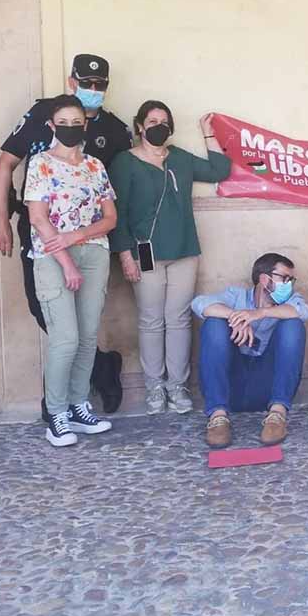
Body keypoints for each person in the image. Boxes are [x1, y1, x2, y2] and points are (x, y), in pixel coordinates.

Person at [109, 103, 232, 415]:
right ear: (139, 126)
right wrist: (125, 254)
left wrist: (207, 133)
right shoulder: (125, 163)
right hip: (144, 253)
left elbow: (220, 170)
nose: (158, 126)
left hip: (184, 250)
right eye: (152, 121)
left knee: (178, 320)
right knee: (151, 321)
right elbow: (117, 213)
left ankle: (177, 386)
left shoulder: (180, 159)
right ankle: (154, 388)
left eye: (164, 122)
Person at [24, 95, 118, 447]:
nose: (69, 128)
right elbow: (37, 217)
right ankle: (57, 414)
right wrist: (66, 261)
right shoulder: (40, 164)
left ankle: (80, 406)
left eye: (75, 121)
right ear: (51, 125)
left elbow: (110, 218)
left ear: (85, 124)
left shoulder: (95, 166)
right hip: (52, 258)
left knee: (87, 337)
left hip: (94, 253)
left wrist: (79, 235)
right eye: (62, 122)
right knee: (65, 339)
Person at [191, 252, 308, 448]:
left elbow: (303, 311)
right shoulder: (235, 296)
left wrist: (259, 313)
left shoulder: (289, 301)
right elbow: (199, 304)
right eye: (285, 278)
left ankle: (277, 416)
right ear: (265, 279)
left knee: (293, 325)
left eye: (292, 279)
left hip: (266, 387)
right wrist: (236, 317)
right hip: (231, 386)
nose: (289, 284)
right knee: (213, 323)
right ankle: (218, 418)